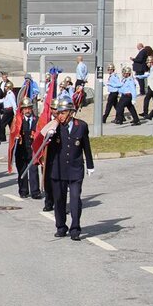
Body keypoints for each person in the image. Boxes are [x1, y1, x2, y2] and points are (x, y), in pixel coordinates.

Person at [44, 98, 94, 241]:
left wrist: (90, 165)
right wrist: (49, 134)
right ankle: (61, 227)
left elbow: (86, 146)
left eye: (63, 113)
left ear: (71, 113)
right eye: (58, 113)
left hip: (75, 169)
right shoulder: (54, 126)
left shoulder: (81, 126)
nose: (60, 116)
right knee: (59, 200)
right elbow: (41, 141)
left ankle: (75, 228)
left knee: (75, 199)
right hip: (58, 169)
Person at [13, 100, 41, 199]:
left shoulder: (36, 119)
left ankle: (35, 191)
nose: (27, 110)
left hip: (33, 150)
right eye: (25, 109)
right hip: (21, 150)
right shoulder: (18, 121)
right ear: (22, 110)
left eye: (29, 108)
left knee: (33, 170)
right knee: (22, 170)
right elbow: (13, 132)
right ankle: (23, 190)